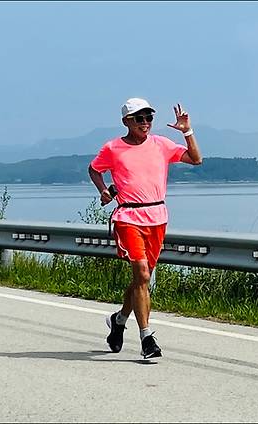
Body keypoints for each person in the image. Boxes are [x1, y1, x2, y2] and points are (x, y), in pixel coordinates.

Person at [88, 98, 202, 358]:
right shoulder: (113, 148)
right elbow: (94, 170)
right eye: (139, 118)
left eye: (149, 117)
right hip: (128, 216)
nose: (145, 123)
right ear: (126, 121)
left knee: (142, 278)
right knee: (141, 273)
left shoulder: (161, 145)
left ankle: (118, 320)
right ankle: (147, 338)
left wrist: (187, 131)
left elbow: (196, 159)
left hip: (157, 216)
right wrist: (104, 190)